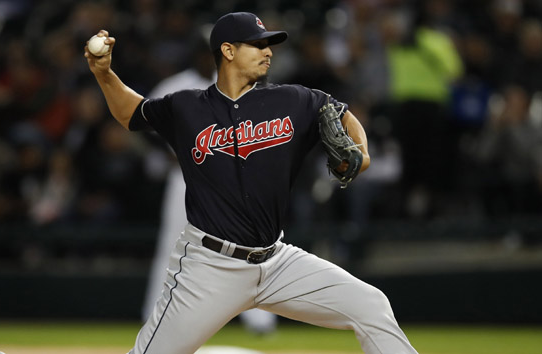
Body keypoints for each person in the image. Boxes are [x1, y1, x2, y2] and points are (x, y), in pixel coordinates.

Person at [85, 12, 418, 354]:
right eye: (258, 44)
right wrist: (104, 73)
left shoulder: (292, 100)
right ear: (228, 51)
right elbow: (131, 112)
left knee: (370, 305)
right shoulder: (186, 106)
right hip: (209, 267)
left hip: (277, 262)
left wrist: (360, 152)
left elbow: (341, 115)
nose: (268, 51)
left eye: (269, 44)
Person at [141, 36, 278, 335]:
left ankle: (260, 319)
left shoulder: (246, 86)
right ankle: (156, 313)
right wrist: (172, 150)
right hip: (187, 178)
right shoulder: (176, 86)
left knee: (250, 245)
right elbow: (145, 127)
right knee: (172, 245)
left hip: (235, 180)